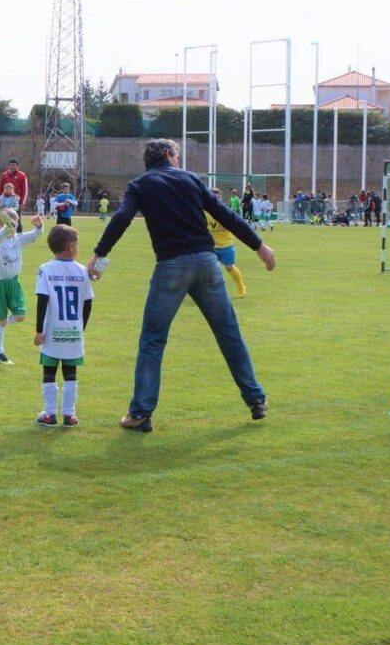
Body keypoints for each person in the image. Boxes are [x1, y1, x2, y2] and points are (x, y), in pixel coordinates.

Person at [89, 139, 274, 432]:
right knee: (229, 333)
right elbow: (226, 215)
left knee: (153, 339)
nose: (178, 159)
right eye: (177, 154)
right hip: (207, 263)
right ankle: (255, 399)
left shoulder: (139, 185)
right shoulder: (191, 179)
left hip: (171, 266)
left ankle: (140, 413)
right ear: (168, 155)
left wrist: (98, 255)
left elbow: (122, 218)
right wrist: (259, 246)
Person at [34, 224, 93, 427]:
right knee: (70, 372)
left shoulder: (45, 269)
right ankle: (69, 415)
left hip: (52, 331)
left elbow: (42, 300)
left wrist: (39, 331)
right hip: (73, 331)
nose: (78, 247)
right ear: (70, 246)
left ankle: (50, 414)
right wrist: (80, 328)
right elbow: (87, 303)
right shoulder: (83, 271)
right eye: (76, 244)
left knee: (49, 372)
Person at [0, 207, 44, 364]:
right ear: (0, 224)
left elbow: (35, 235)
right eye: (13, 223)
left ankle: (1, 322)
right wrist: (7, 229)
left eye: (17, 223)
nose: (16, 226)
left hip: (14, 282)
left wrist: (39, 226)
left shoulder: (18, 239)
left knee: (20, 316)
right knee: (0, 320)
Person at [207, 189, 248, 299]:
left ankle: (241, 287)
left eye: (218, 198)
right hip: (211, 247)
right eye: (213, 198)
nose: (215, 200)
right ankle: (213, 293)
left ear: (220, 199)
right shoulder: (204, 213)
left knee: (229, 267)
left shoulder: (226, 212)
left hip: (226, 245)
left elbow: (236, 226)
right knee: (211, 269)